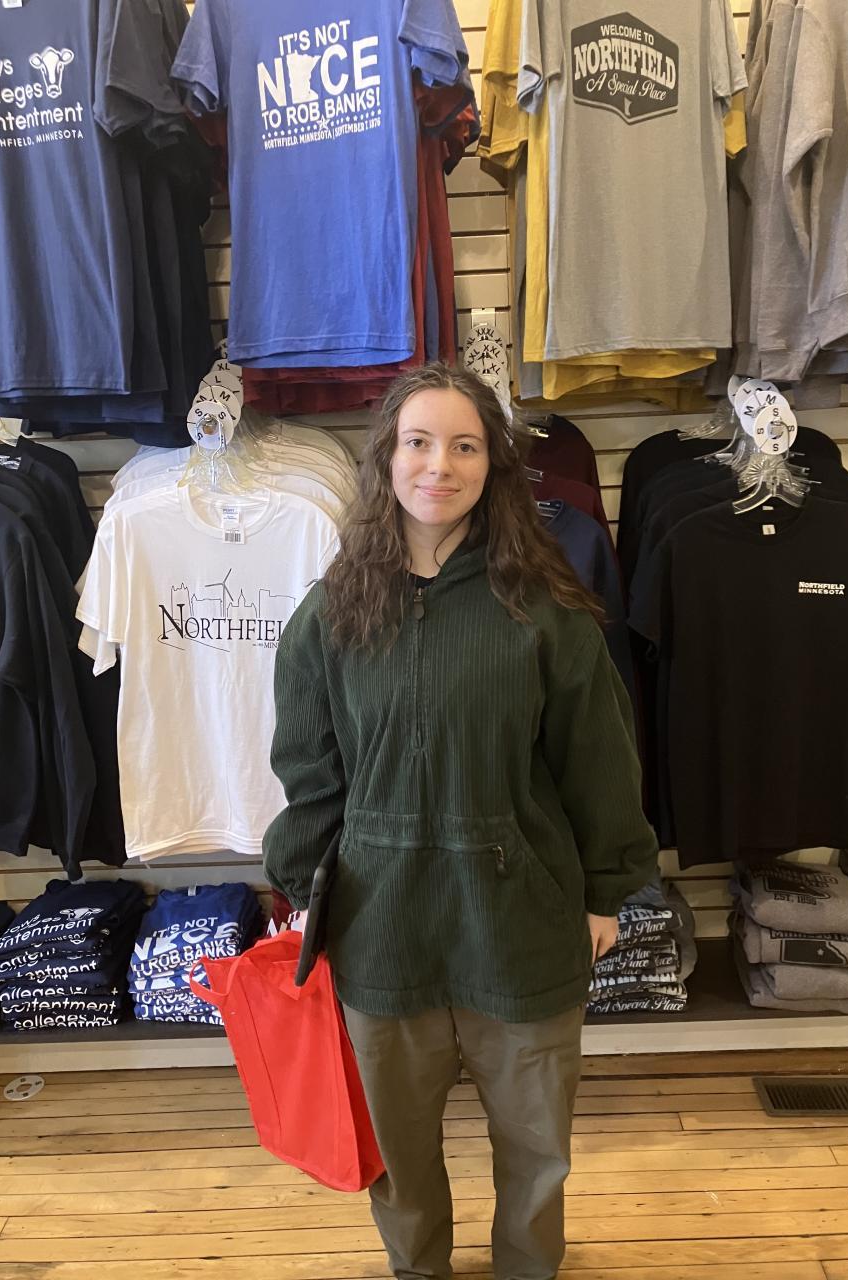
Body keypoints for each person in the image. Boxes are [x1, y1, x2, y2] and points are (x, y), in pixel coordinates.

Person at [262, 363, 657, 1280]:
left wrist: (604, 891)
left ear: (494, 466)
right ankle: (419, 1269)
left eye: (465, 446)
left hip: (521, 923)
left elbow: (600, 762)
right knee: (397, 1151)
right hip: (381, 925)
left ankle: (528, 1269)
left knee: (537, 1146)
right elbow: (310, 776)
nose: (440, 465)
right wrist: (303, 887)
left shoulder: (546, 610)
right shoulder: (329, 615)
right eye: (419, 442)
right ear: (386, 458)